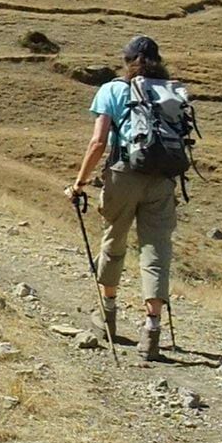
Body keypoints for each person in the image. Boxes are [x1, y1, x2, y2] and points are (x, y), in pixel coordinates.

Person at [69, 34, 192, 363]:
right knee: (156, 250)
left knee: (115, 239)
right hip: (163, 179)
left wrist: (79, 183)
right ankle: (152, 329)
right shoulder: (173, 91)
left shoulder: (112, 89)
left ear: (128, 60)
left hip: (124, 173)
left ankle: (107, 312)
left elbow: (98, 143)